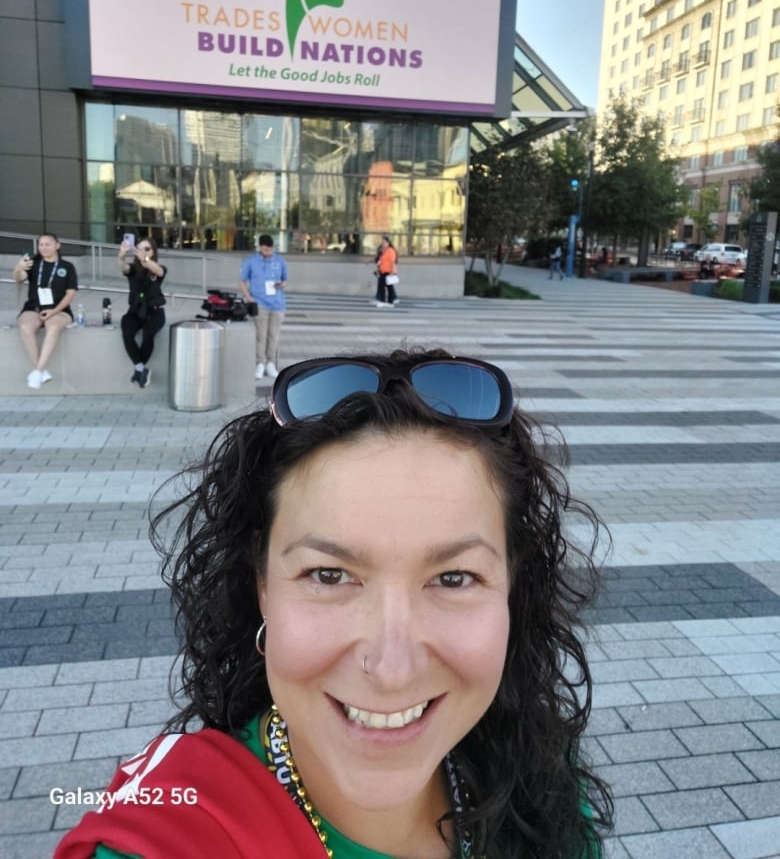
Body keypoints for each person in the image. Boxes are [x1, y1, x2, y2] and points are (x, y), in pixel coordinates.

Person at [53, 349, 612, 859]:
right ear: (262, 584)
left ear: (511, 586)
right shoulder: (170, 837)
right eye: (328, 574)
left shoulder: (545, 786)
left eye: (454, 578)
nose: (393, 670)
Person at [13, 233, 78, 390]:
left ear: (57, 245)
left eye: (48, 244)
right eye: (41, 244)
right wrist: (18, 268)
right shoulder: (33, 263)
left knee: (53, 325)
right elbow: (19, 278)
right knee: (25, 327)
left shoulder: (67, 267)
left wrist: (54, 311)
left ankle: (37, 371)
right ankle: (40, 371)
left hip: (59, 310)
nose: (43, 247)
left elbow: (71, 293)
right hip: (33, 308)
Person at [118, 238, 167, 389]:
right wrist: (121, 255)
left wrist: (145, 258)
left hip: (154, 311)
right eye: (140, 248)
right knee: (127, 332)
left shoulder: (159, 267)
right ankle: (141, 369)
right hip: (135, 310)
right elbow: (124, 268)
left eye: (147, 249)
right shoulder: (133, 268)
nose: (144, 251)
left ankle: (139, 371)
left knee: (148, 333)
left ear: (153, 252)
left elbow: (158, 271)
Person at [238, 235, 288, 380]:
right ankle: (260, 363)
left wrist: (281, 284)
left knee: (273, 336)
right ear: (260, 247)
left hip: (277, 304)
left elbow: (285, 280)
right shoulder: (251, 262)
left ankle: (271, 363)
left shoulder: (280, 261)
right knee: (261, 335)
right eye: (266, 249)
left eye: (270, 249)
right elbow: (242, 281)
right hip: (259, 303)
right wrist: (248, 297)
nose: (268, 252)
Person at [374, 235, 398, 307]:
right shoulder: (384, 251)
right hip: (383, 271)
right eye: (382, 242)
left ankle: (382, 301)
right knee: (389, 287)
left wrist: (392, 271)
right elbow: (381, 261)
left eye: (384, 242)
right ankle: (390, 302)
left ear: (388, 243)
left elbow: (392, 262)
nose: (383, 244)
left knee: (383, 286)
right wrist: (377, 269)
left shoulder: (390, 251)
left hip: (388, 271)